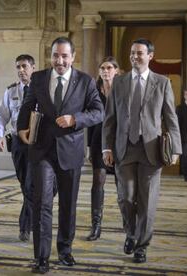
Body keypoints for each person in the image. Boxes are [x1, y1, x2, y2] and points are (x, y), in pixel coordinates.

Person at [17, 36, 104, 274]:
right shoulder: (38, 78)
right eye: (56, 55)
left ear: (73, 57)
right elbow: (27, 105)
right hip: (42, 150)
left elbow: (98, 112)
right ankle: (41, 257)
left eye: (65, 56)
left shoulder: (85, 82)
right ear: (51, 56)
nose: (60, 60)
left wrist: (75, 119)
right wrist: (21, 128)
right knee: (42, 203)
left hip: (70, 151)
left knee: (68, 205)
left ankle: (65, 250)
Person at [102, 38, 181, 263]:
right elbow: (110, 119)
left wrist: (175, 148)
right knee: (125, 197)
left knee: (147, 201)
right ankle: (131, 233)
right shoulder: (119, 82)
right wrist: (106, 147)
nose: (135, 57)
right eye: (132, 53)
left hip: (151, 150)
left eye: (139, 53)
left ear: (150, 56)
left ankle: (141, 246)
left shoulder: (162, 83)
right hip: (123, 149)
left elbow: (170, 117)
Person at [0, 54, 36, 242]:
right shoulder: (11, 91)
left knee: (30, 184)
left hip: (37, 142)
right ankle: (35, 216)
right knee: (25, 184)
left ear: (33, 68)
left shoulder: (41, 90)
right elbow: (1, 115)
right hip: (18, 144)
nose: (21, 70)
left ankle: (25, 227)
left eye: (25, 66)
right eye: (18, 67)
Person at [86, 56, 119, 241]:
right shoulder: (94, 92)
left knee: (121, 184)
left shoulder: (122, 90)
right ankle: (96, 225)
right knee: (98, 181)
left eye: (109, 68)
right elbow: (90, 121)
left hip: (118, 142)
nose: (106, 71)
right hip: (98, 140)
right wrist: (90, 147)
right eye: (103, 68)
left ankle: (128, 224)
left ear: (116, 71)